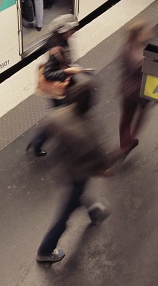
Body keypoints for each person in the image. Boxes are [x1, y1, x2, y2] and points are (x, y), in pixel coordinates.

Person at [36, 75, 115, 263]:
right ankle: (45, 250)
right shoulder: (88, 132)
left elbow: (44, 133)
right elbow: (100, 162)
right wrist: (104, 169)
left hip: (61, 168)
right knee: (64, 215)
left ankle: (94, 213)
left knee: (78, 196)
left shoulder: (57, 115)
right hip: (78, 175)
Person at [26, 15, 83, 156]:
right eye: (72, 30)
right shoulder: (56, 48)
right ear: (64, 30)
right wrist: (67, 71)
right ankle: (38, 142)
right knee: (59, 119)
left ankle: (41, 141)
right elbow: (48, 73)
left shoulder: (60, 41)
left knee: (61, 117)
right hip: (58, 92)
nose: (74, 33)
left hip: (64, 88)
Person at [118, 20, 153, 156]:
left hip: (126, 89)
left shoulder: (126, 46)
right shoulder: (139, 57)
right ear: (139, 34)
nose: (148, 32)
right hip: (138, 92)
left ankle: (125, 143)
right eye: (145, 31)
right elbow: (143, 68)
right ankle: (128, 143)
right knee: (141, 115)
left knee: (126, 119)